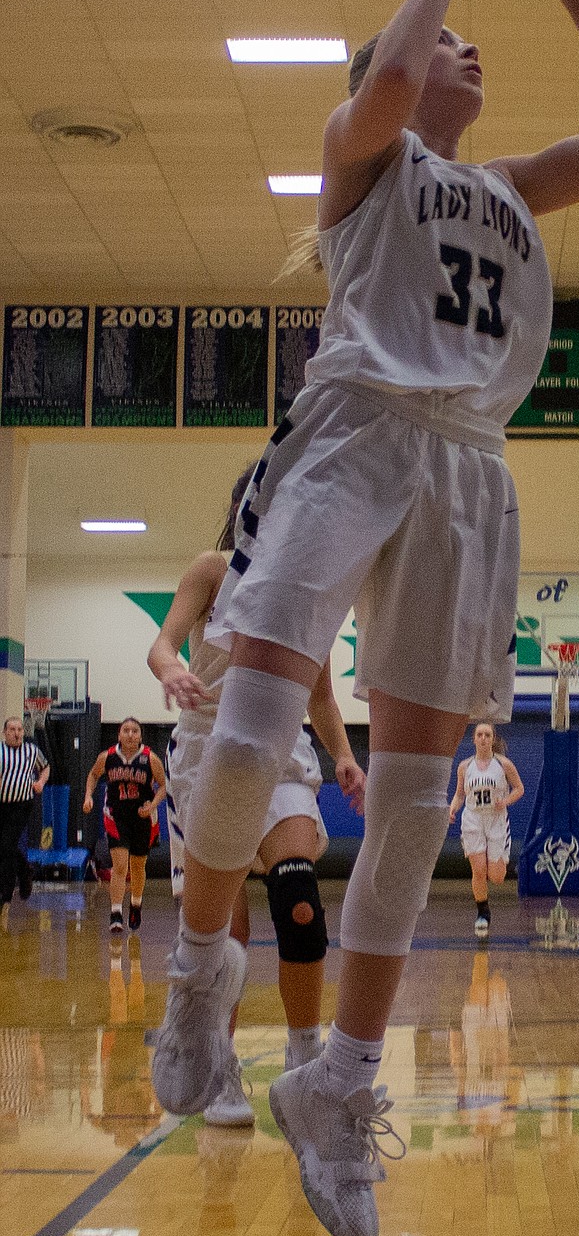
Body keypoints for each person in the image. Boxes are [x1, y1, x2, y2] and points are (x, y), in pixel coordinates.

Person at [148, 0, 579, 1236]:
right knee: (253, 724)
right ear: (392, 58)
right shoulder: (363, 154)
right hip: (355, 430)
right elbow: (386, 81)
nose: (464, 42)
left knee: (418, 794)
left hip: (468, 469)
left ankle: (343, 1080)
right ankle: (201, 968)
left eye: (466, 30)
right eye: (443, 37)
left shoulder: (507, 187)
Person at [149, 469, 366, 1126]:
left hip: (281, 749)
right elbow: (161, 643)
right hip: (205, 747)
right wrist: (174, 667)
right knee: (227, 933)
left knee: (299, 900)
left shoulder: (312, 588)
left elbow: (323, 695)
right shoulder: (212, 570)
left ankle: (306, 1067)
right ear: (247, 505)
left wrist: (347, 755)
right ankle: (220, 1064)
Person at [83, 718, 166, 934]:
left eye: (134, 731)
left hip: (142, 817)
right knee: (120, 867)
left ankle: (136, 905)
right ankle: (116, 913)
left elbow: (164, 786)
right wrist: (88, 796)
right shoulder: (108, 757)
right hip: (116, 815)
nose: (130, 734)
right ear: (119, 734)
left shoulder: (150, 758)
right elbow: (93, 774)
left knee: (138, 866)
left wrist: (153, 804)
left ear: (140, 735)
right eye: (126, 730)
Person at [449, 721, 524, 937]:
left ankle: (504, 860)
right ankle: (483, 913)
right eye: (479, 734)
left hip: (496, 819)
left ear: (493, 739)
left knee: (497, 877)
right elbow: (460, 794)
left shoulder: (503, 765)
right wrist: (451, 809)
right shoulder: (464, 766)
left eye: (487, 735)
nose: (483, 738)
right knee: (478, 871)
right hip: (473, 819)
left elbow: (519, 789)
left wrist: (506, 801)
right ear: (474, 739)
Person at [0, 715, 49, 905]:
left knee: (7, 844)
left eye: (19, 729)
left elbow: (45, 767)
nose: (17, 733)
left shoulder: (31, 750)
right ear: (5, 733)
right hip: (2, 804)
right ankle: (25, 870)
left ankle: (6, 890)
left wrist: (41, 782)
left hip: (22, 803)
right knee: (5, 846)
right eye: (12, 730)